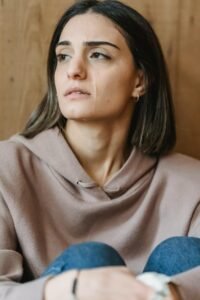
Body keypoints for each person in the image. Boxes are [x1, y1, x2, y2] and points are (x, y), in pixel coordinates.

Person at [0, 0, 200, 299]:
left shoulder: (191, 181)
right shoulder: (7, 166)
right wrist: (68, 288)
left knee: (184, 255)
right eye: (63, 56)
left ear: (140, 80)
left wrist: (168, 291)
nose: (74, 70)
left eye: (97, 55)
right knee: (90, 261)